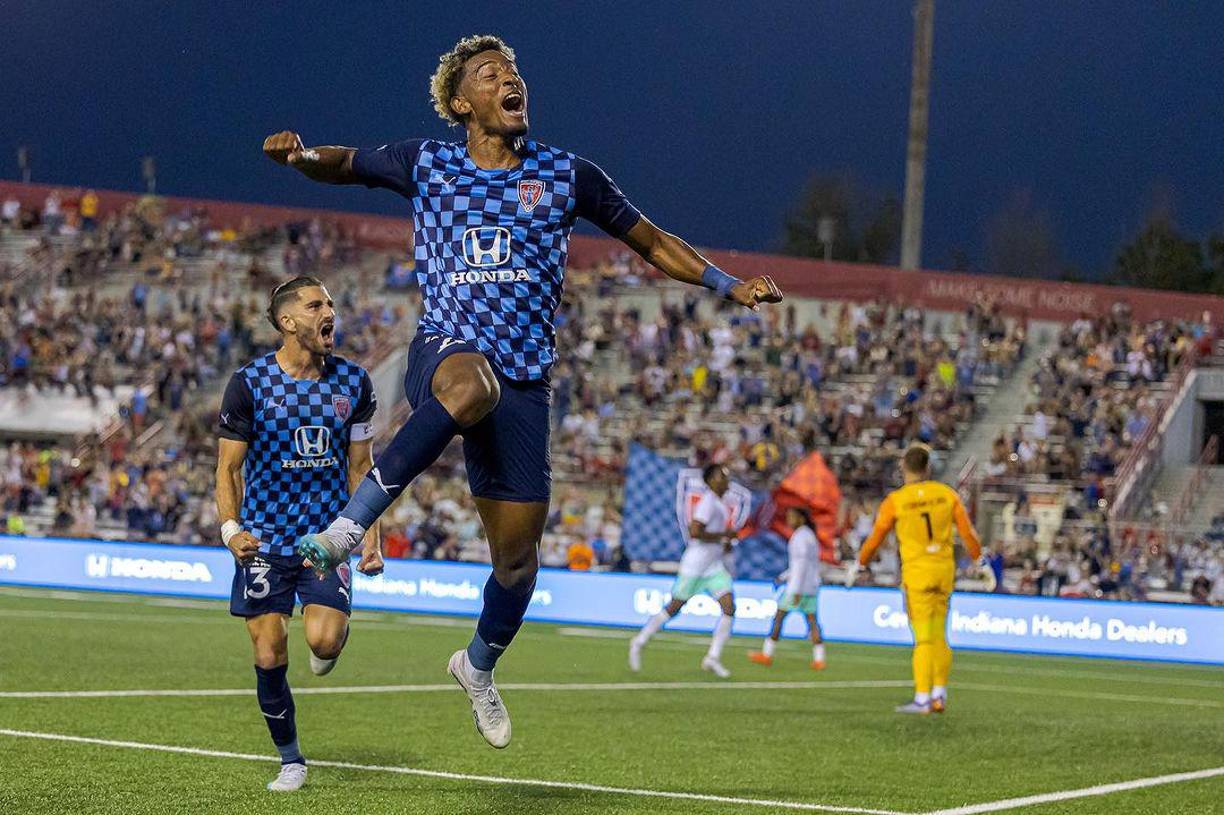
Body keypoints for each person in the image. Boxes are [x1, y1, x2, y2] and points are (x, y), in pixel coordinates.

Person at [263, 34, 782, 747]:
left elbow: (652, 240)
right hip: (446, 352)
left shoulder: (568, 176)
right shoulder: (428, 162)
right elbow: (345, 164)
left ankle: (477, 665)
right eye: (490, 74)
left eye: (514, 72)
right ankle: (348, 527)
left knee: (517, 559)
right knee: (469, 381)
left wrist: (728, 283)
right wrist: (299, 157)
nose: (511, 80)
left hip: (527, 381)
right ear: (460, 102)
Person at [215, 276, 384, 791]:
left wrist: (371, 536)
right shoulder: (249, 384)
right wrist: (230, 529)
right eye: (316, 305)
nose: (328, 311)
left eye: (331, 302)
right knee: (268, 653)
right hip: (264, 539)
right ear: (288, 321)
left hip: (325, 540)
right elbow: (228, 470)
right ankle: (291, 759)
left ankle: (326, 642)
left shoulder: (355, 384)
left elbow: (362, 469)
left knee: (325, 643)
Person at [845, 444, 994, 715]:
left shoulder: (897, 500)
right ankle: (939, 694)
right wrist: (980, 562)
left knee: (923, 639)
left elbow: (876, 537)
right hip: (943, 572)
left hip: (918, 575)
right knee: (939, 635)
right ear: (927, 468)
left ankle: (922, 698)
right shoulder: (947, 495)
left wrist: (860, 564)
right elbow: (968, 533)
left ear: (904, 468)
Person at [629, 464, 740, 679]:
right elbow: (695, 531)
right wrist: (723, 535)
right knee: (674, 607)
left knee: (729, 607)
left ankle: (713, 657)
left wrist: (724, 541)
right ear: (711, 481)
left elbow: (713, 535)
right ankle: (640, 640)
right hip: (696, 565)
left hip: (713, 566)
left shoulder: (719, 504)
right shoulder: (708, 502)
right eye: (722, 476)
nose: (727, 480)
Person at [748, 505, 826, 670]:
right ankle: (820, 658)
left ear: (801, 518)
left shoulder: (801, 537)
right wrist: (783, 577)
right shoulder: (807, 535)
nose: (789, 520)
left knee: (779, 618)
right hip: (811, 585)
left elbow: (802, 564)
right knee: (811, 621)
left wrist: (796, 589)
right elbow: (800, 564)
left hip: (799, 587)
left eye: (792, 517)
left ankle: (767, 654)